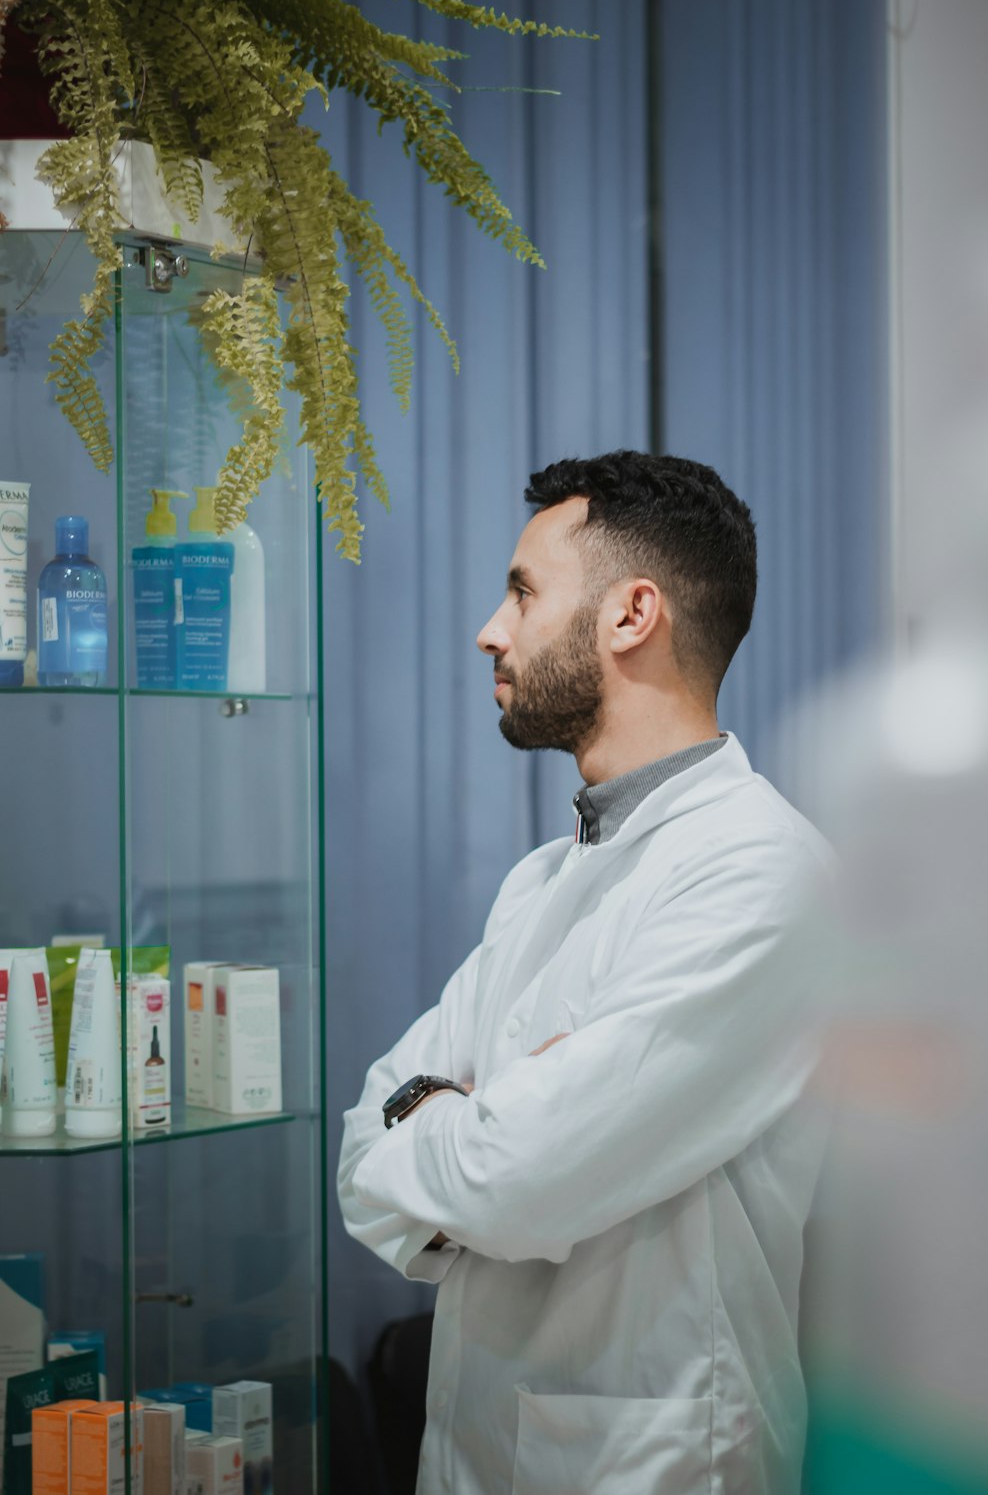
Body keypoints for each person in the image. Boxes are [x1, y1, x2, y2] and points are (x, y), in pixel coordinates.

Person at [338, 450, 832, 1495]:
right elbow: (361, 1157)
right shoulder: (544, 879)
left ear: (629, 615)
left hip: (651, 1461)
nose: (491, 629)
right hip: (478, 1450)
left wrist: (463, 1121)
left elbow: (512, 1179)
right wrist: (474, 1116)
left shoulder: (762, 872)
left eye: (522, 592)